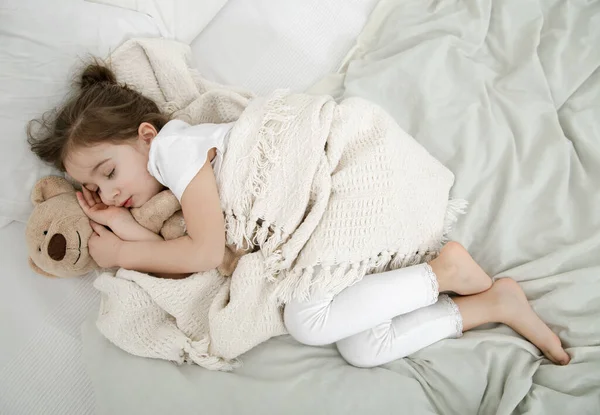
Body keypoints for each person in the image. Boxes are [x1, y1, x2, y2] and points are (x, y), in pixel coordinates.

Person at [28, 62, 571, 368]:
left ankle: (446, 272)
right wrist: (125, 227)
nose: (108, 191)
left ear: (145, 136)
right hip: (318, 214)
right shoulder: (168, 180)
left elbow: (204, 252)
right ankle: (494, 303)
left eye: (108, 170)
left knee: (307, 323)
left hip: (344, 182)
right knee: (362, 347)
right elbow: (208, 241)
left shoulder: (176, 149)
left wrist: (124, 252)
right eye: (92, 186)